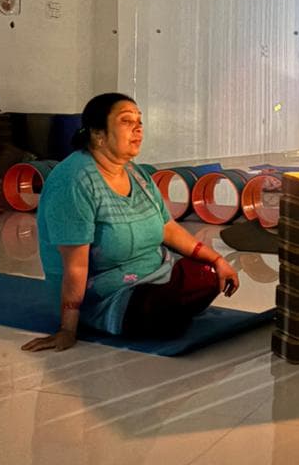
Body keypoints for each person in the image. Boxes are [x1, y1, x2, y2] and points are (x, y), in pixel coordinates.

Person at [23, 92, 239, 352]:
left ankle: (169, 306)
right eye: (126, 121)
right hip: (108, 295)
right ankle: (133, 316)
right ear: (98, 134)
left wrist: (217, 260)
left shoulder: (135, 173)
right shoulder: (74, 181)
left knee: (210, 274)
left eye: (139, 121)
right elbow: (75, 266)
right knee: (172, 305)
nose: (138, 129)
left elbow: (167, 228)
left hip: (155, 272)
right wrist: (68, 329)